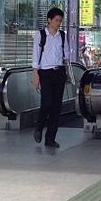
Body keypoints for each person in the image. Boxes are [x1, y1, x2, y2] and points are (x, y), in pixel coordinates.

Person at [32, 8, 70, 148]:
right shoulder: (41, 35)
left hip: (59, 72)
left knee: (56, 107)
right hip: (45, 73)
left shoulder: (62, 35)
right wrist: (35, 75)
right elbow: (36, 55)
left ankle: (50, 138)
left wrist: (67, 72)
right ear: (49, 20)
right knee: (47, 103)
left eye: (60, 20)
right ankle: (39, 126)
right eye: (56, 20)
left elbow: (66, 55)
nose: (58, 23)